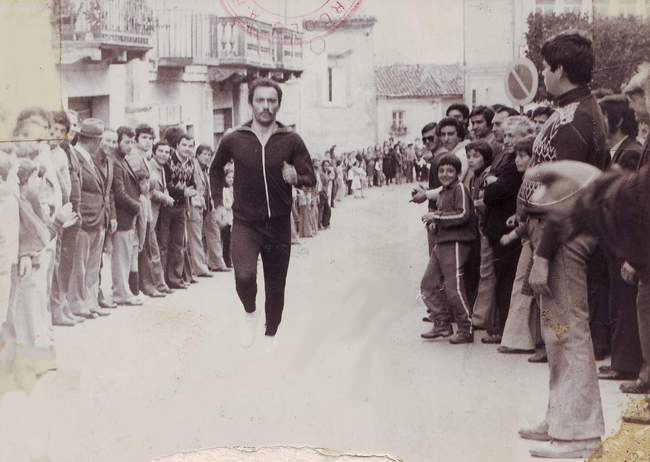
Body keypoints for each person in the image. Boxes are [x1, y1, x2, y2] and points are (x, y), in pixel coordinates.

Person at [516, 31, 609, 458]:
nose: (543, 76)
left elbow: (563, 199)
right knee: (556, 331)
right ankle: (560, 418)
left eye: (547, 68)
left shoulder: (577, 119)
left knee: (568, 330)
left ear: (561, 71)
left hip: (562, 238)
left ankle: (580, 435)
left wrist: (543, 254)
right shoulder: (573, 111)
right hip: (552, 235)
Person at [210, 78, 316, 348]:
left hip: (279, 223)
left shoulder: (291, 139)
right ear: (251, 104)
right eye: (260, 100)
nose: (266, 106)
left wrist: (297, 177)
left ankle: (270, 335)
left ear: (279, 104)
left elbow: (310, 176)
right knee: (244, 277)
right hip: (246, 222)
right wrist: (219, 204)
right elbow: (215, 169)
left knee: (276, 286)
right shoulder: (234, 138)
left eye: (271, 101)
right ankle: (250, 314)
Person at [419, 153, 476, 344]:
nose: (445, 174)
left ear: (458, 172)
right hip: (442, 243)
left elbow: (463, 214)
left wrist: (437, 217)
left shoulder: (460, 188)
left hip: (456, 243)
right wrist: (435, 224)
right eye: (441, 170)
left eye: (450, 170)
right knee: (428, 284)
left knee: (454, 288)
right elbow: (447, 216)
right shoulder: (443, 191)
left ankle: (465, 329)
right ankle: (442, 324)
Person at [68, 118, 114, 319]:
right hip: (84, 220)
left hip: (98, 219)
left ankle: (90, 302)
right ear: (94, 140)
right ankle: (77, 304)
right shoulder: (75, 157)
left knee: (93, 266)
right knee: (80, 265)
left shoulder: (89, 158)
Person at [158, 129, 196, 290]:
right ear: (178, 146)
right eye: (184, 145)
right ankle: (163, 279)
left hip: (181, 207)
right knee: (164, 244)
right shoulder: (168, 160)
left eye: (190, 146)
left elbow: (192, 183)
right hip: (167, 206)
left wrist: (189, 191)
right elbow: (166, 185)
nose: (187, 148)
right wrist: (183, 191)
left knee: (178, 244)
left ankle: (175, 279)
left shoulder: (191, 163)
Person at [111, 126, 144, 306]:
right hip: (123, 215)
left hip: (127, 215)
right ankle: (121, 293)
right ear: (118, 142)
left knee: (126, 256)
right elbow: (119, 193)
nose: (130, 145)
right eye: (126, 142)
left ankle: (125, 291)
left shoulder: (123, 160)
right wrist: (137, 207)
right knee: (121, 258)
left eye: (132, 142)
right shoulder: (116, 161)